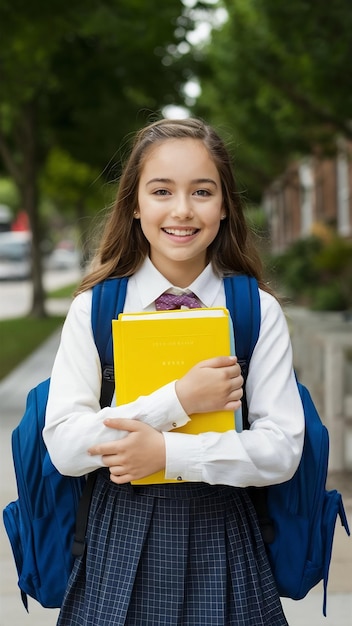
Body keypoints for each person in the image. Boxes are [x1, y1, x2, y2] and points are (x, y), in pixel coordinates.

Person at [43, 117, 304, 625]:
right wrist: (176, 402)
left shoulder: (255, 311)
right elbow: (67, 447)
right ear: (135, 204)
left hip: (225, 538)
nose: (182, 210)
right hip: (117, 542)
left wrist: (167, 452)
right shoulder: (96, 310)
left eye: (202, 191)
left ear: (225, 205)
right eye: (162, 191)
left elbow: (282, 450)